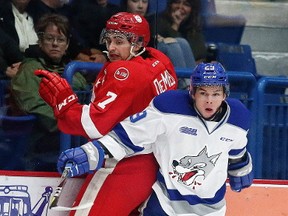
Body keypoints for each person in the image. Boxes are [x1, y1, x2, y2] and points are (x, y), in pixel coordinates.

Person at [57, 62, 254, 215]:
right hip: (165, 205)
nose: (209, 100)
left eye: (215, 94)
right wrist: (91, 152)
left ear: (224, 95)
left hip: (212, 210)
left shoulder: (239, 118)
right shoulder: (168, 108)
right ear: (192, 92)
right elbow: (128, 136)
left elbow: (237, 151)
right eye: (203, 93)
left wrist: (241, 169)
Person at [35, 12, 178, 215]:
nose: (111, 48)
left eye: (119, 42)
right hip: (153, 162)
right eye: (109, 40)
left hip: (124, 164)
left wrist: (66, 106)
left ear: (137, 44)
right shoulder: (159, 59)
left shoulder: (126, 72)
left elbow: (95, 125)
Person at [10, 13, 87, 171]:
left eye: (60, 40)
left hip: (75, 138)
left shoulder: (74, 72)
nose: (55, 44)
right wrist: (73, 121)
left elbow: (88, 98)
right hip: (40, 142)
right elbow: (34, 105)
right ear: (40, 41)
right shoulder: (30, 69)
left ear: (67, 45)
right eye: (49, 38)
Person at [121, 0, 196, 89]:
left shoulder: (153, 20)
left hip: (150, 55)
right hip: (137, 58)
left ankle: (197, 84)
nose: (140, 6)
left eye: (144, 2)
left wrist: (158, 39)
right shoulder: (119, 20)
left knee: (181, 42)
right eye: (135, 1)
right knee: (171, 45)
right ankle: (186, 88)